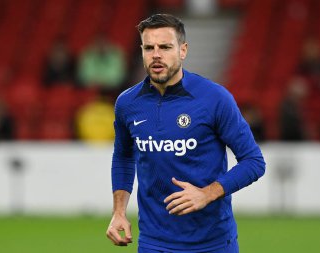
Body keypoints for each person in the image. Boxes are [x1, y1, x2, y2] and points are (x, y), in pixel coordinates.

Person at [106, 14, 265, 253]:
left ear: (183, 50)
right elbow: (123, 157)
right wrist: (118, 211)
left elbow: (254, 161)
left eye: (165, 47)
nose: (156, 55)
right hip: (154, 242)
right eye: (149, 48)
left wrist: (208, 193)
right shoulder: (127, 104)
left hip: (212, 242)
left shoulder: (215, 99)